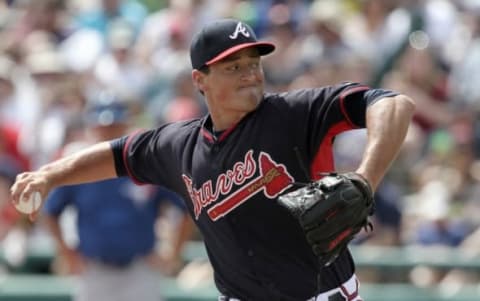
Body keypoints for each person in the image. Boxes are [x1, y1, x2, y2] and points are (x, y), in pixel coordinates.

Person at [11, 19, 415, 301]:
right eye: (234, 67)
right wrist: (49, 175)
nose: (250, 75)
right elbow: (117, 155)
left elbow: (392, 104)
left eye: (254, 64)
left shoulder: (296, 113)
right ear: (199, 80)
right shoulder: (178, 146)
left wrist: (365, 178)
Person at [42, 100, 192, 301]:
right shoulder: (78, 168)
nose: (109, 131)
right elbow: (50, 212)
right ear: (92, 128)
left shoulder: (145, 165)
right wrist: (67, 253)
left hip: (140, 270)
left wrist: (174, 252)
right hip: (94, 270)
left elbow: (187, 207)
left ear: (126, 124)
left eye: (114, 125)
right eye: (103, 126)